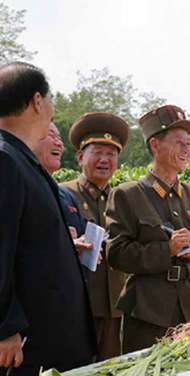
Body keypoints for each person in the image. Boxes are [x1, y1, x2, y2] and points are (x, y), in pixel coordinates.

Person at [0, 62, 96, 376]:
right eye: (52, 100)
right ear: (38, 102)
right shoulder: (5, 160)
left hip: (50, 336)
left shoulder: (22, 160)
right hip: (26, 344)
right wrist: (5, 327)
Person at [105, 105, 190, 353]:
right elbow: (116, 254)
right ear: (155, 146)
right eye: (179, 143)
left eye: (188, 144)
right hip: (149, 311)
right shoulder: (127, 194)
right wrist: (167, 249)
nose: (187, 150)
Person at [60, 113, 129, 360]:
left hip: (117, 307)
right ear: (80, 157)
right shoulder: (62, 194)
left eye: (111, 154)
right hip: (78, 308)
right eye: (97, 152)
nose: (104, 160)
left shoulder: (123, 199)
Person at [32, 122, 87, 245]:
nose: (59, 144)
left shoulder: (67, 197)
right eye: (50, 136)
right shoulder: (19, 187)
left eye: (59, 138)